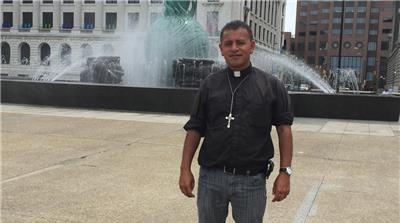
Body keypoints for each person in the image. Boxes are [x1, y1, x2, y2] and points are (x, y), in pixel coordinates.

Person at [179, 20, 293, 223]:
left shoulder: (272, 86)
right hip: (211, 178)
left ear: (252, 46)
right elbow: (195, 128)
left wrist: (285, 172)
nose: (234, 48)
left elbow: (284, 130)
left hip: (251, 181)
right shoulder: (209, 85)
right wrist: (184, 169)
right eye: (228, 43)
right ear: (221, 49)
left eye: (240, 42)